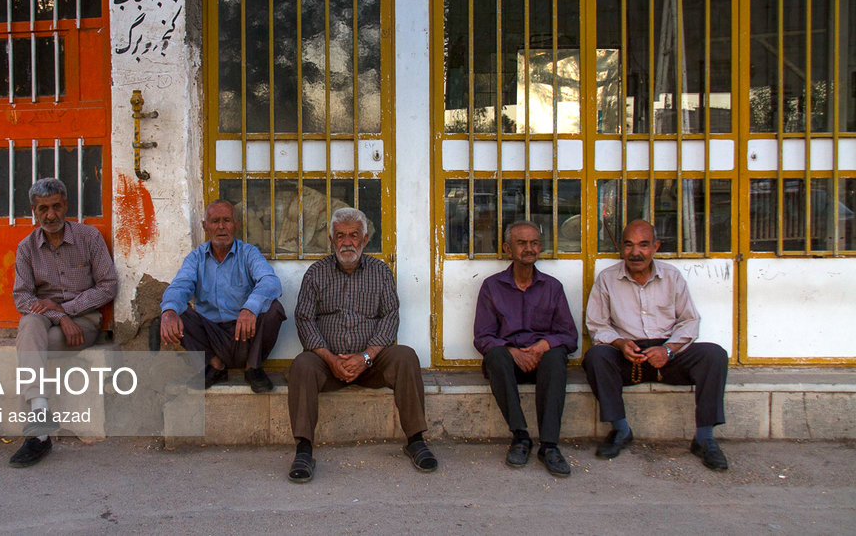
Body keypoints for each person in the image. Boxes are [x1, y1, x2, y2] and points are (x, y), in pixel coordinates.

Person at [286, 207, 437, 483]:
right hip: (327, 363)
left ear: (365, 239)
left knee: (406, 357)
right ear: (331, 240)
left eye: (354, 235)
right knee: (302, 365)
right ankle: (303, 449)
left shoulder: (380, 271)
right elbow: (304, 320)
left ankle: (416, 441)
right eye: (340, 236)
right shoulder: (315, 274)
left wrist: (366, 357)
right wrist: (330, 359)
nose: (347, 242)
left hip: (371, 364)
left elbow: (391, 317)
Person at [583, 219, 729, 471]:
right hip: (629, 354)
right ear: (620, 247)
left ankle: (704, 439)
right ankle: (621, 430)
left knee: (714, 355)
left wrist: (669, 349)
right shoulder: (607, 279)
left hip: (667, 354)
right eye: (628, 245)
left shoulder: (672, 277)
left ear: (655, 247)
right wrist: (619, 343)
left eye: (643, 245)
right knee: (596, 357)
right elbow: (596, 324)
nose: (635, 252)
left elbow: (690, 320)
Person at [11, 177, 118, 467]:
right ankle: (40, 419)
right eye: (43, 208)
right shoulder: (27, 248)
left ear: (66, 205)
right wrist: (59, 315)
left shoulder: (89, 237)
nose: (51, 215)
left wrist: (69, 310)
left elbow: (108, 286)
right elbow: (22, 298)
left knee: (29, 346)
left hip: (83, 323)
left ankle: (38, 432)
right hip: (47, 321)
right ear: (34, 211)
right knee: (30, 324)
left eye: (56, 206)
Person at [474, 220, 578, 477]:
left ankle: (550, 446)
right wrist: (513, 352)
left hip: (543, 362)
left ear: (540, 248)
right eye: (522, 243)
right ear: (508, 249)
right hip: (509, 363)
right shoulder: (492, 286)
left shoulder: (552, 287)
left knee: (556, 356)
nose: (529, 249)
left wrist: (542, 346)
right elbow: (482, 337)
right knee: (495, 356)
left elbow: (569, 336)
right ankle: (520, 437)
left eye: (534, 243)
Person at [159, 200, 285, 393]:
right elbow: (180, 286)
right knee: (177, 311)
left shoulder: (248, 253)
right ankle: (215, 365)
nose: (221, 227)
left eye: (226, 220)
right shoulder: (196, 258)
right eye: (215, 221)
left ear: (236, 224)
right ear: (205, 226)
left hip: (245, 334)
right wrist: (168, 311)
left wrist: (250, 307)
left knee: (274, 308)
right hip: (212, 337)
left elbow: (270, 281)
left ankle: (253, 367)